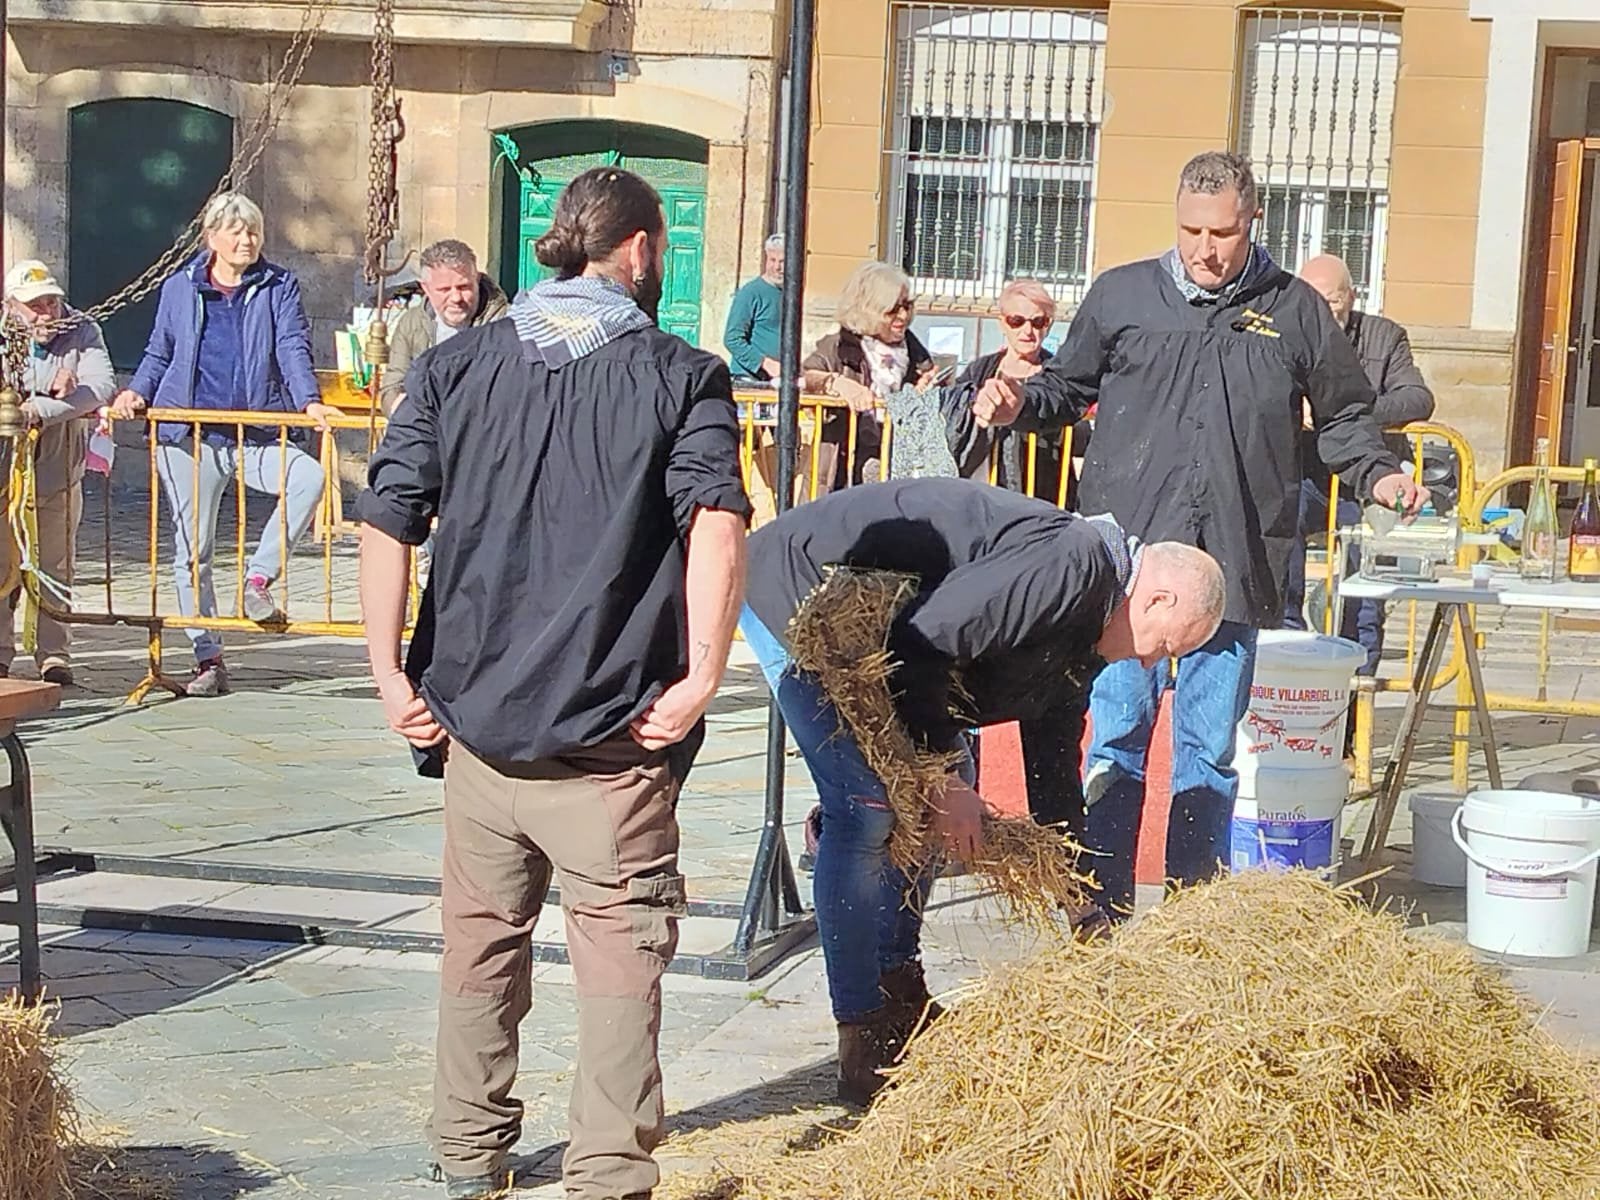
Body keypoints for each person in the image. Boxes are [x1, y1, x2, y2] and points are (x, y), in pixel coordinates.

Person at [358, 166, 748, 1200]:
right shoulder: (683, 375)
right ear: (639, 252)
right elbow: (717, 517)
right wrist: (705, 671)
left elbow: (387, 514)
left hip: (474, 727)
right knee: (619, 974)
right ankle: (609, 1173)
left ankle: (465, 1154)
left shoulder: (456, 368)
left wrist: (385, 669)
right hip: (613, 741)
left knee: (478, 953)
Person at [973, 151, 1427, 921]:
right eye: (1189, 229)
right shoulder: (1122, 294)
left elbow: (1345, 414)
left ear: (1253, 222)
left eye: (1220, 232)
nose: (1203, 249)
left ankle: (1190, 918)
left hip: (1236, 564)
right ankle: (1102, 910)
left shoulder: (1294, 310)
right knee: (1116, 736)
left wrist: (1378, 476)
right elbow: (1069, 386)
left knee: (1209, 752)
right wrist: (1018, 403)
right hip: (1129, 574)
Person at [740, 477, 1226, 1104]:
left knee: (931, 799)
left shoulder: (1088, 627)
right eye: (1163, 646)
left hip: (883, 641)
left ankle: (901, 995)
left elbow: (1052, 763)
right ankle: (862, 1034)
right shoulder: (1069, 567)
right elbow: (920, 645)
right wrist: (942, 775)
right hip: (804, 596)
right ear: (1156, 598)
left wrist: (1077, 896)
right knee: (867, 809)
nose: (1148, 663)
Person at [109, 192, 335, 698]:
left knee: (308, 478)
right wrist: (135, 392)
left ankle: (258, 579)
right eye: (235, 231)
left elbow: (292, 347)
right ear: (211, 238)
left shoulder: (278, 286)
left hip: (256, 429)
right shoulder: (179, 288)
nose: (246, 240)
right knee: (194, 551)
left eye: (253, 231)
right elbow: (159, 351)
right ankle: (207, 656)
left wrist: (309, 403)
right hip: (189, 435)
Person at [942, 280, 1088, 834]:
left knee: (1049, 698)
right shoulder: (975, 374)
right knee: (963, 682)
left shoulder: (1061, 381)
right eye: (1017, 321)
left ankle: (1056, 833)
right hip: (982, 543)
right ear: (1000, 320)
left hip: (1047, 542)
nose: (1028, 332)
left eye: (1040, 323)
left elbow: (1084, 444)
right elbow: (950, 442)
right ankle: (964, 813)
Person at [1284, 254, 1435, 678]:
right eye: (1312, 302)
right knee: (1279, 578)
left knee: (1364, 596)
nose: (1323, 312)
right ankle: (1288, 678)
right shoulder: (1285, 333)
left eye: (1331, 302)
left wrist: (1350, 410)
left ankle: (1356, 706)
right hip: (1302, 477)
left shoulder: (1384, 337)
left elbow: (1417, 399)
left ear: (1351, 296)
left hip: (1368, 477)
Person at [0, 260, 115, 685]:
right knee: (1, 563)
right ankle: (0, 653)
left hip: (57, 469)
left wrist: (41, 409)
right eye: (35, 306)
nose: (46, 312)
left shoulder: (82, 330)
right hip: (4, 470)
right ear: (11, 306)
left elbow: (98, 386)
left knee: (55, 561)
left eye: (51, 301)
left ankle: (53, 653)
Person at [802, 261, 937, 492]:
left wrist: (927, 393)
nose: (903, 316)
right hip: (841, 472)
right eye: (893, 309)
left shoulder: (916, 352)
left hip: (896, 471)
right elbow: (802, 377)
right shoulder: (838, 346)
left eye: (907, 306)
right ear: (868, 308)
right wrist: (837, 383)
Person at [378, 239, 510, 414]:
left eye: (464, 287)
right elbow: (393, 386)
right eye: (444, 290)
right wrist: (402, 412)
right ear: (426, 288)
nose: (456, 298)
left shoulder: (505, 325)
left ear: (477, 279)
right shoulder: (412, 324)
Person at [724, 233, 784, 381]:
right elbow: (732, 339)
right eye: (772, 260)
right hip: (749, 379)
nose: (777, 267)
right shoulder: (750, 293)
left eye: (783, 261)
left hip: (776, 381)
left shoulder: (790, 294)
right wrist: (764, 363)